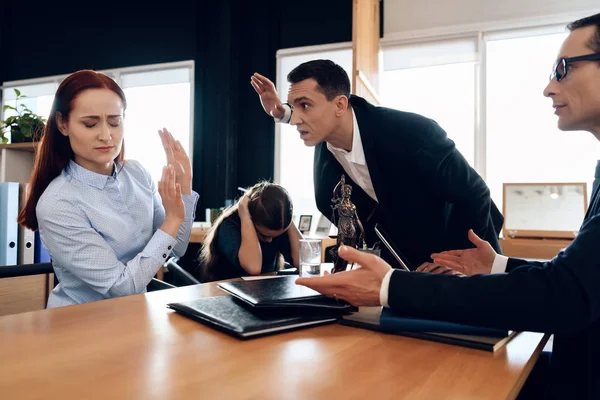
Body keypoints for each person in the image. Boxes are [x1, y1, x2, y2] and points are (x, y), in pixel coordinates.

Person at [297, 13, 600, 399]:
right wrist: (498, 264)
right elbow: (579, 279)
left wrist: (395, 285)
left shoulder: (408, 132)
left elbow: (566, 294)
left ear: (340, 104)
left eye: (562, 69)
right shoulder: (324, 166)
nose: (547, 88)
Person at [251, 60, 503, 270]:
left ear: (340, 104)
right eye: (292, 107)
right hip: (406, 265)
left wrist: (457, 261)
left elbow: (473, 193)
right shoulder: (325, 176)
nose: (296, 118)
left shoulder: (413, 134)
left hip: (467, 251)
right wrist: (280, 112)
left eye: (304, 105)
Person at [17, 70, 199, 308]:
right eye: (90, 124)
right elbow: (121, 287)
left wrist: (184, 186)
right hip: (80, 326)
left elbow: (179, 247)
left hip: (135, 317)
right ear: (63, 124)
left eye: (115, 121)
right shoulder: (58, 203)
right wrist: (173, 218)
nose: (106, 135)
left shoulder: (137, 173)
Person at [198, 182, 302, 282]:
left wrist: (285, 215)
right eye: (264, 235)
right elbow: (253, 268)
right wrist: (245, 216)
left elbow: (303, 261)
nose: (270, 240)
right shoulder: (229, 226)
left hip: (264, 293)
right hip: (224, 294)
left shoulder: (276, 225)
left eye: (275, 236)